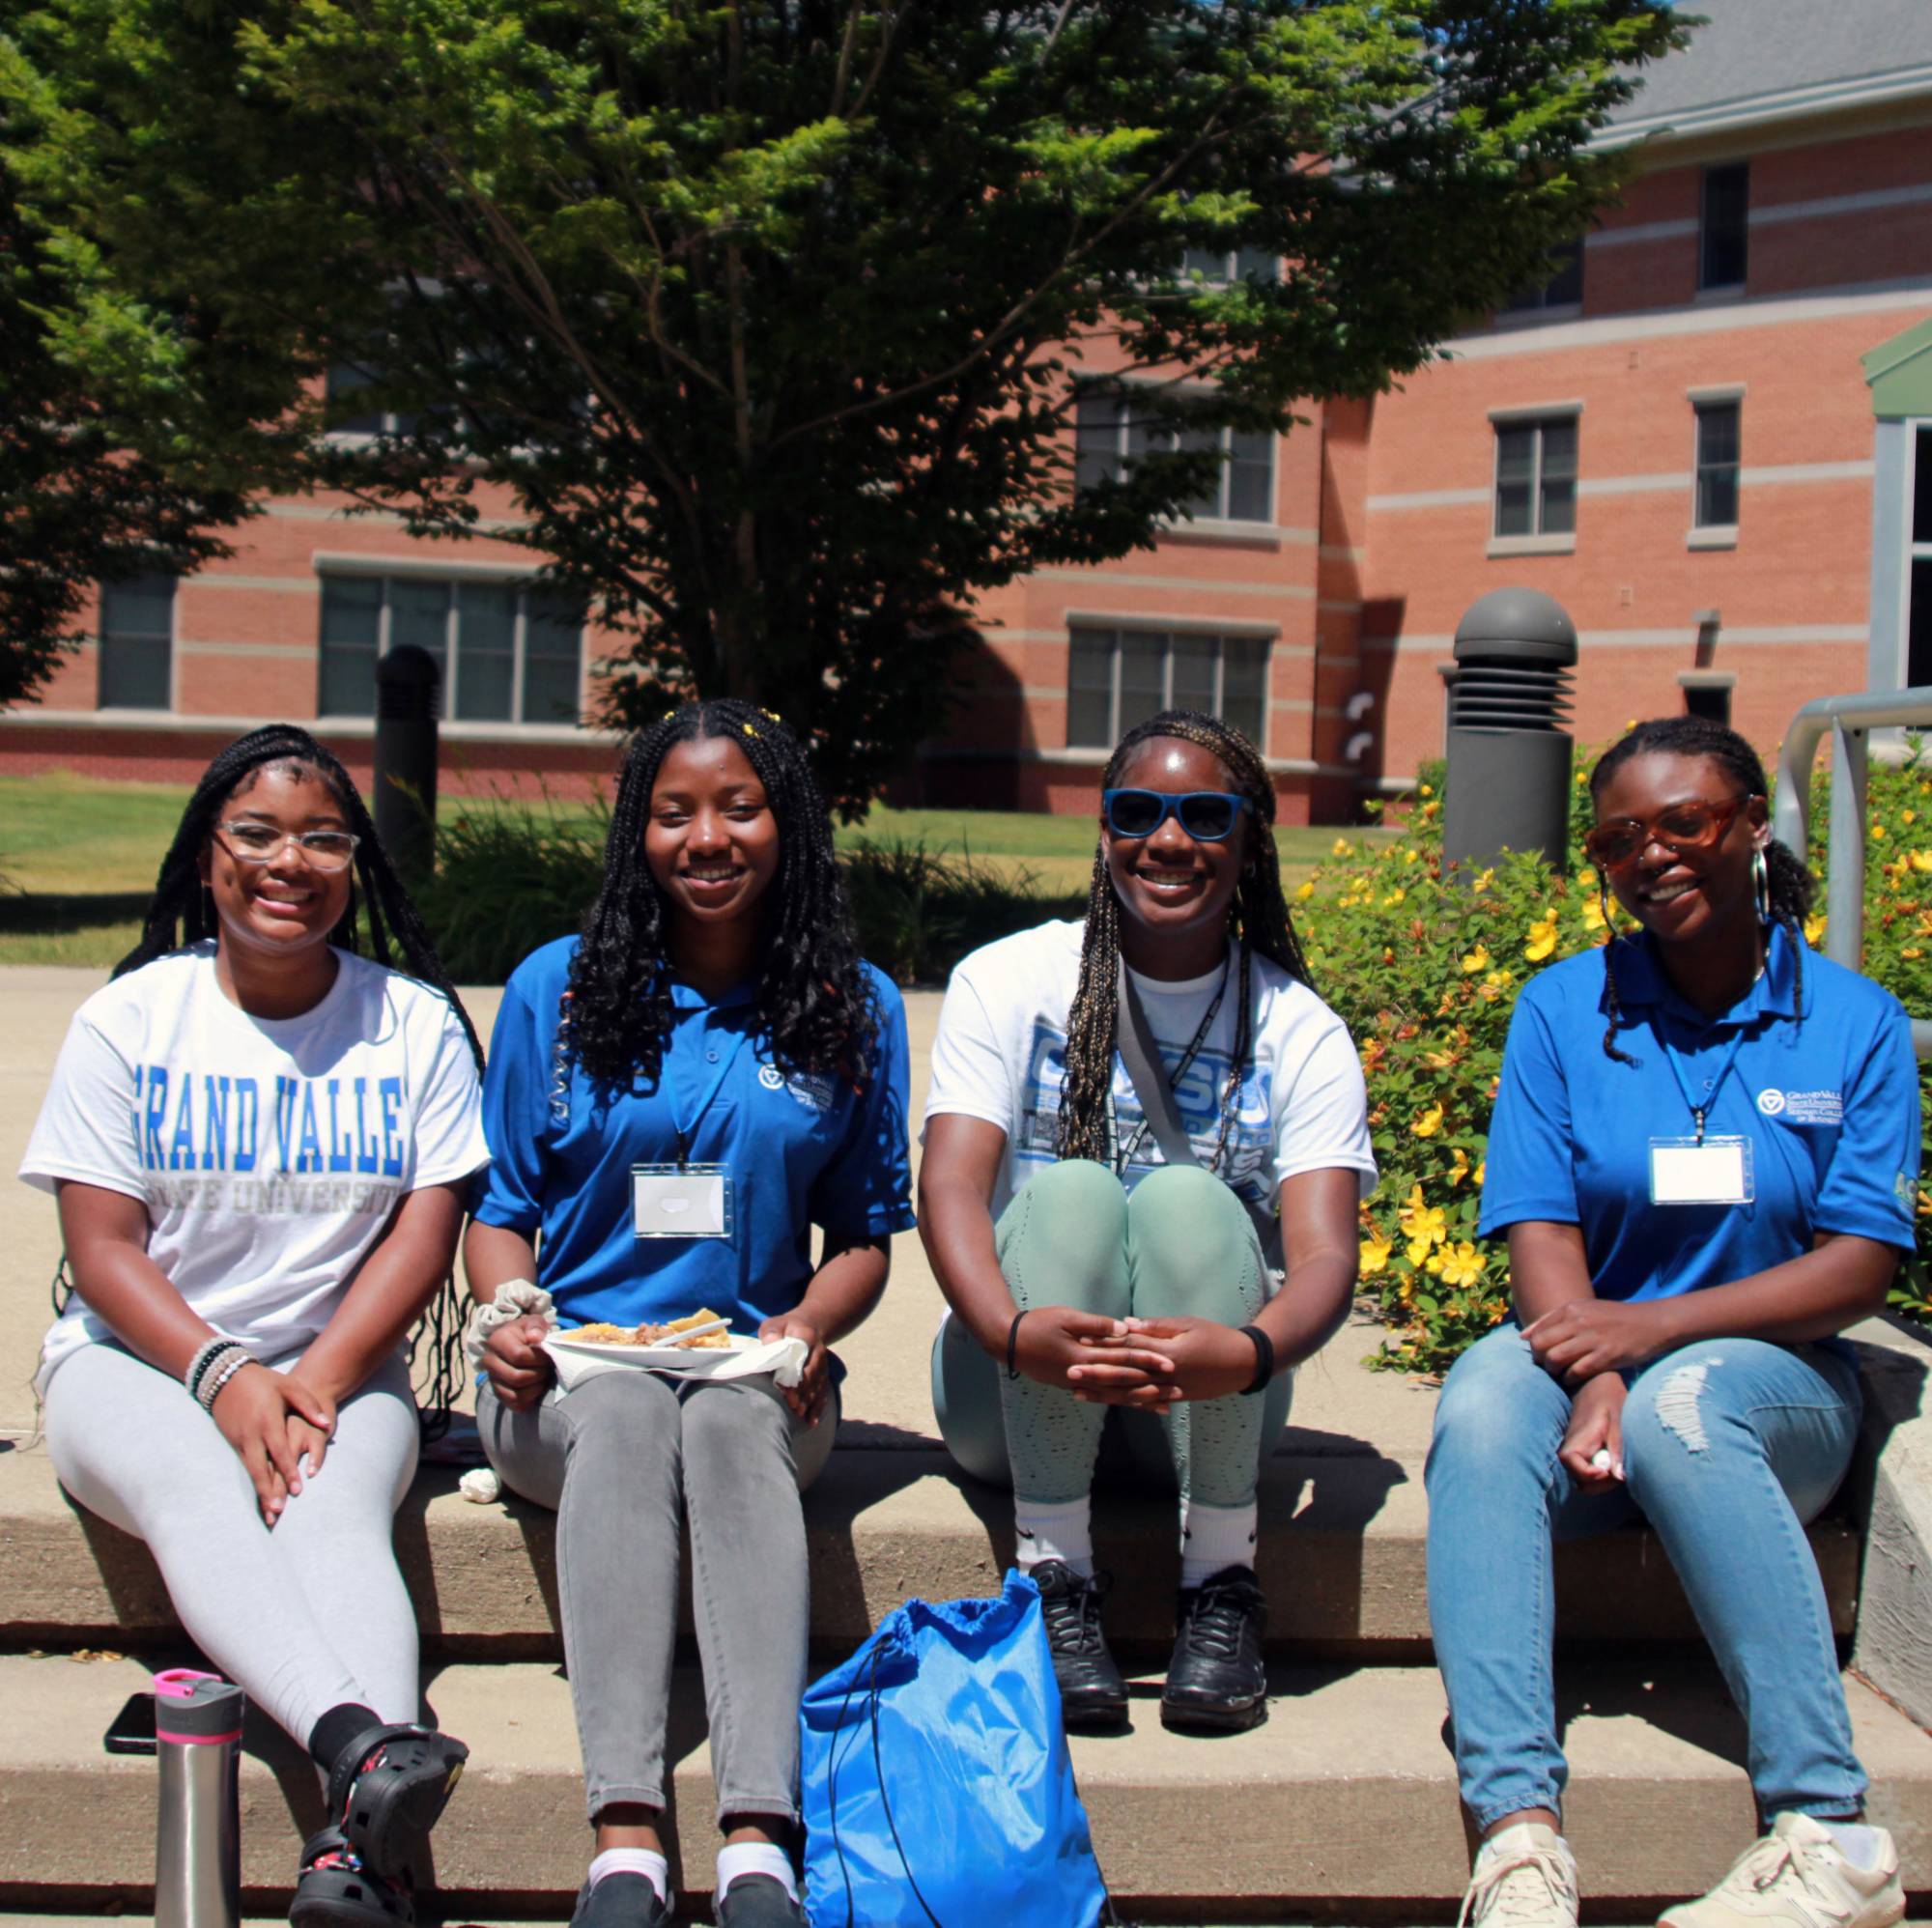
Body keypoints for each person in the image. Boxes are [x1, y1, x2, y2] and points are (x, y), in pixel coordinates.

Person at [1427, 717, 1919, 1928]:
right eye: (1617, 837)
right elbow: (1538, 1231)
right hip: (1587, 1357)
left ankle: (1826, 1830)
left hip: (1773, 1384)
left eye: (1685, 821)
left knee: (1683, 1405)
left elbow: (1857, 1264)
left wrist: (1642, 1348)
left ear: (1753, 821)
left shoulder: (1851, 1023)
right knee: (1485, 1398)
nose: (1652, 853)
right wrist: (1596, 1373)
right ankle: (1516, 1837)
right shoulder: (1562, 1011)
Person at [22, 724, 488, 1928]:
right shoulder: (134, 1017)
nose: (292, 860)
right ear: (207, 852)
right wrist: (225, 1372)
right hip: (134, 1368)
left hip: (342, 1370)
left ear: (358, 861)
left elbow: (423, 1235)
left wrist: (320, 1376)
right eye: (259, 832)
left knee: (332, 1508)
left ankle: (348, 1852)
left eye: (325, 837)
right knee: (197, 1481)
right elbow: (102, 1249)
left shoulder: (415, 1026)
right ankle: (363, 1743)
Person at [466, 701, 913, 1928]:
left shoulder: (850, 1003)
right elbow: (499, 1208)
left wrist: (807, 1327)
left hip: (756, 1374)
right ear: (637, 829)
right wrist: (507, 1315)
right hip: (560, 1378)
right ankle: (625, 1836)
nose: (706, 837)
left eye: (737, 807)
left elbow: (865, 1235)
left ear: (789, 826)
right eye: (674, 812)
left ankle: (760, 1837)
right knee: (616, 1409)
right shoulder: (556, 990)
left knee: (720, 1423)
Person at [919, 709, 1376, 1732]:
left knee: (1186, 1198)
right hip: (1013, 1383)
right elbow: (948, 1185)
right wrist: (1006, 1328)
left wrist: (1251, 1352)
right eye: (1137, 811)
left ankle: (1219, 1583)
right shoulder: (1008, 979)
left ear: (1249, 840)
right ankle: (1050, 1573)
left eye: (1204, 816)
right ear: (1103, 831)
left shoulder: (1299, 1027)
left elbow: (1323, 1255)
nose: (1168, 840)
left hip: (1210, 1402)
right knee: (1072, 1192)